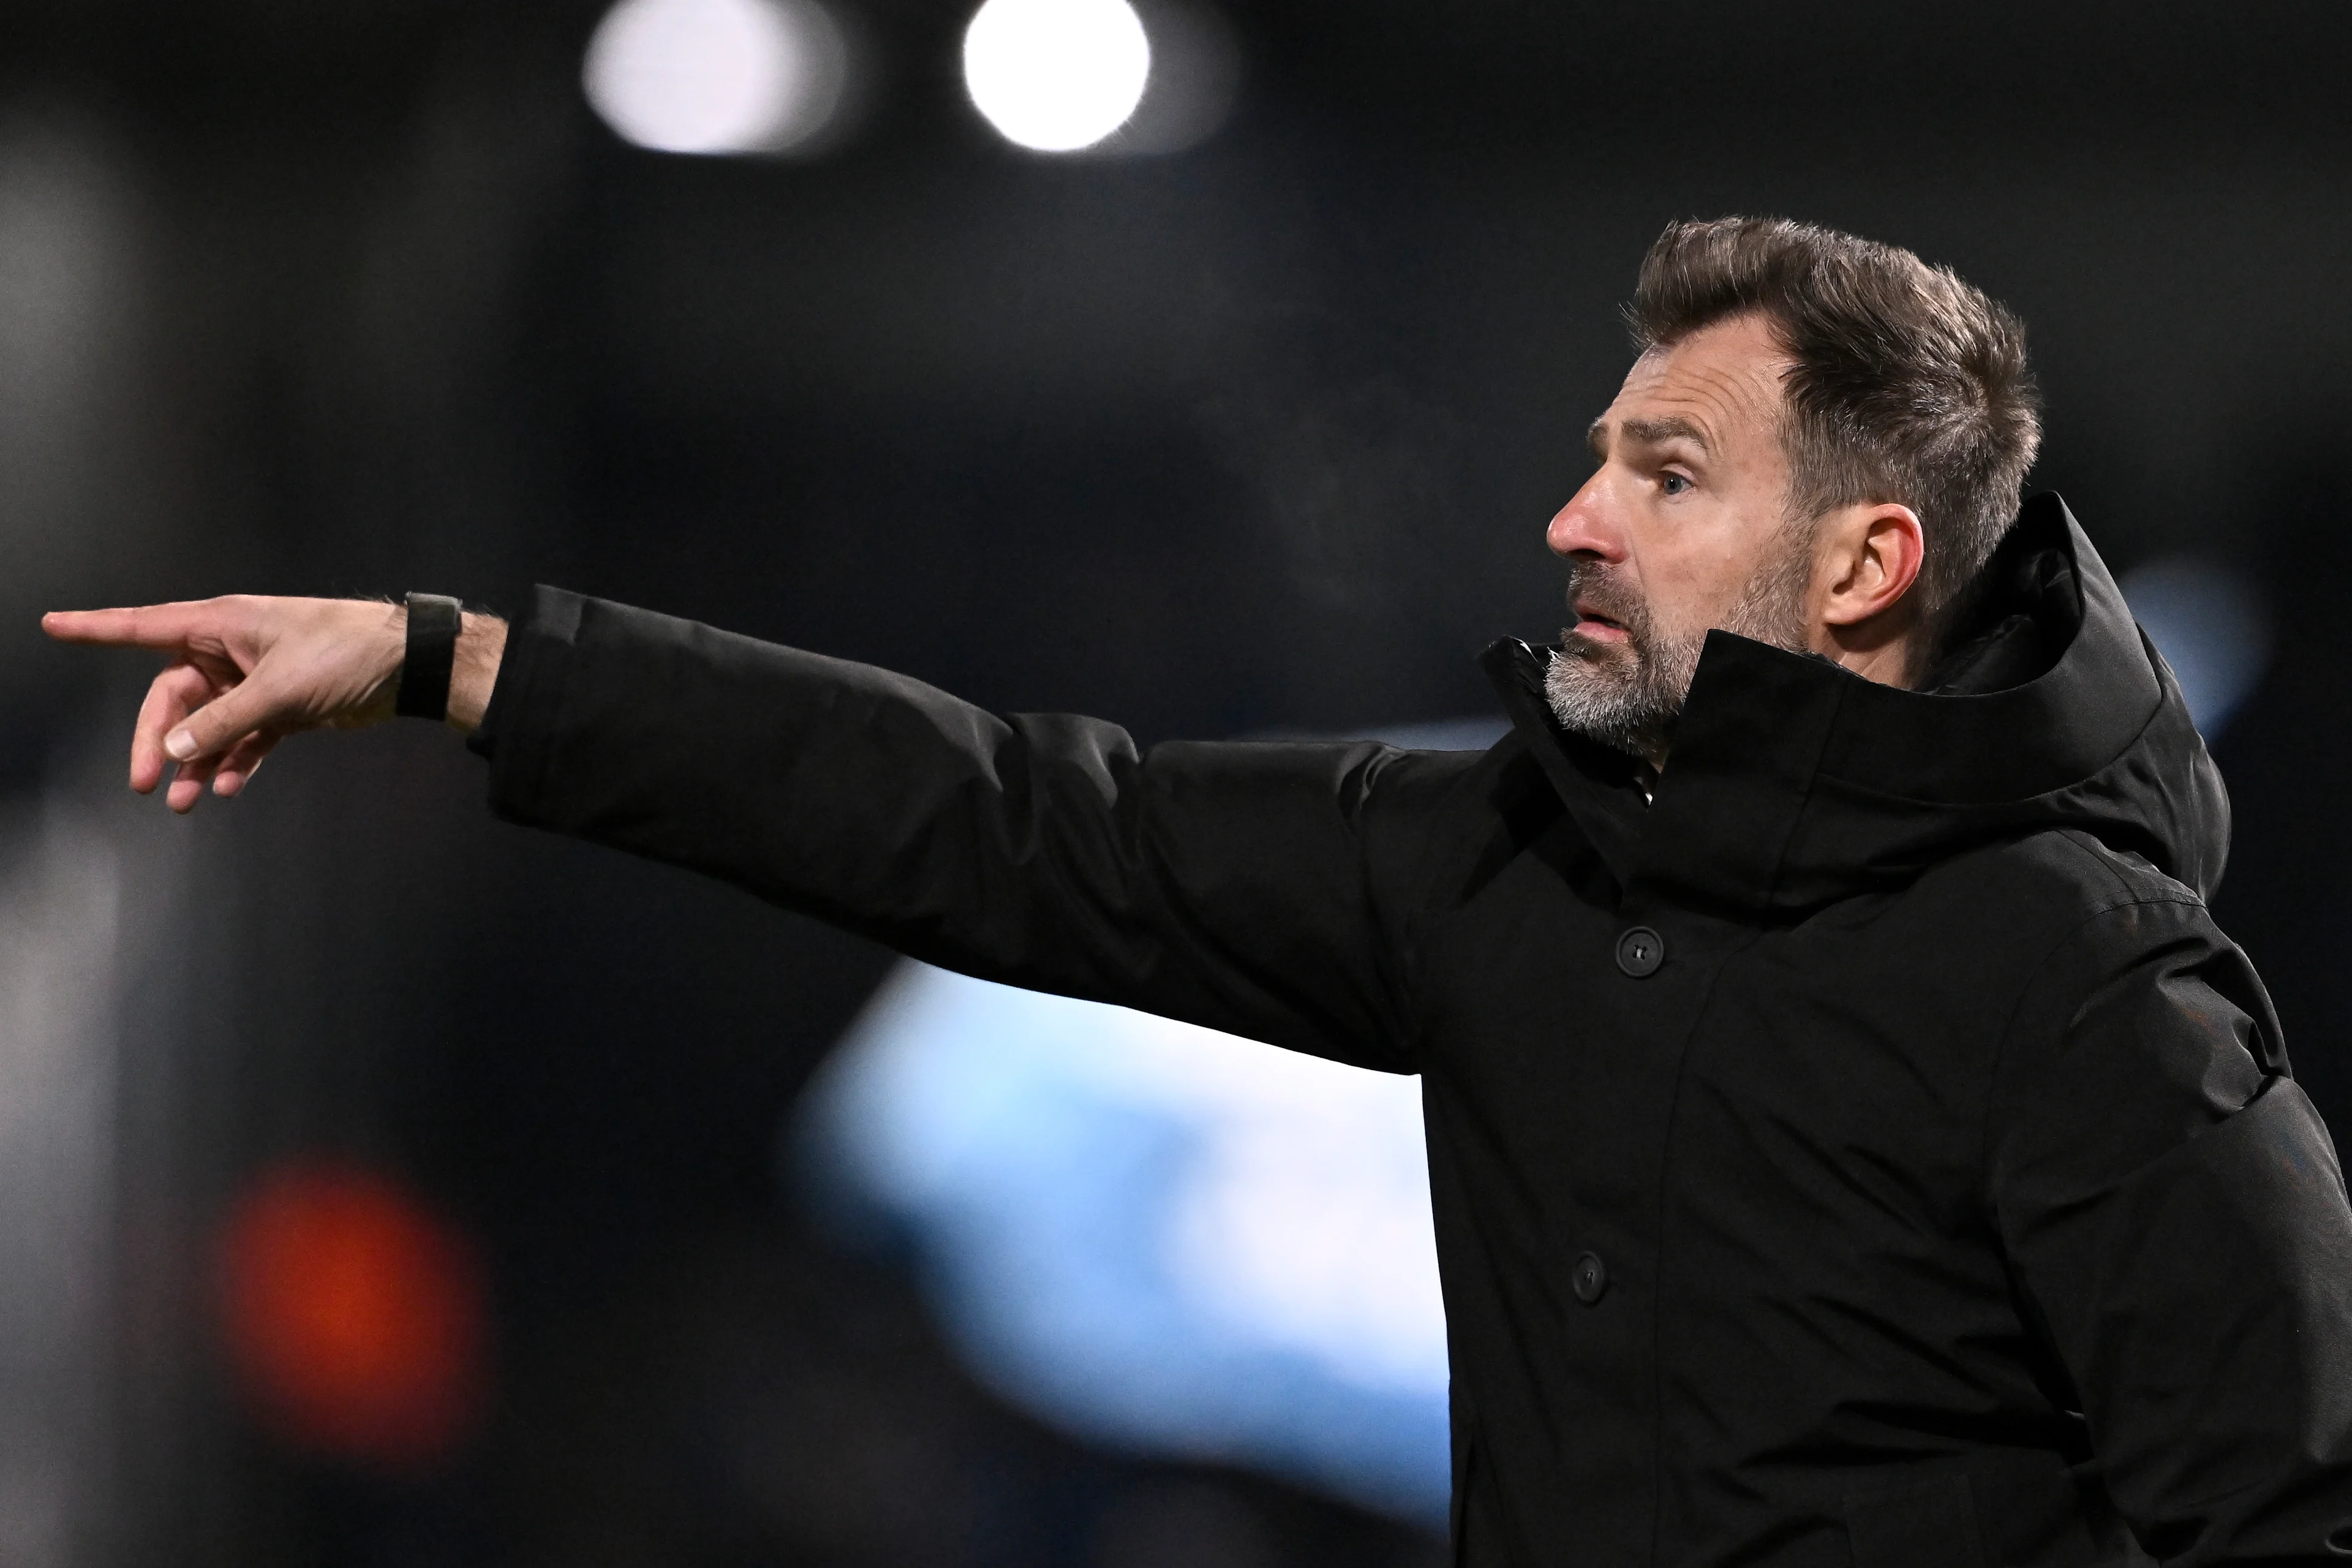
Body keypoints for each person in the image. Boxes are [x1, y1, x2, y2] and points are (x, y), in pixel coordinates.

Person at [47, 218, 2352, 1566]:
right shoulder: (1515, 863)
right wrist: (465, 669)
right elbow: (1021, 821)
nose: (1577, 519)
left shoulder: (2091, 992)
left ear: (1865, 563)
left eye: (1663, 471)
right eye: (1593, 457)